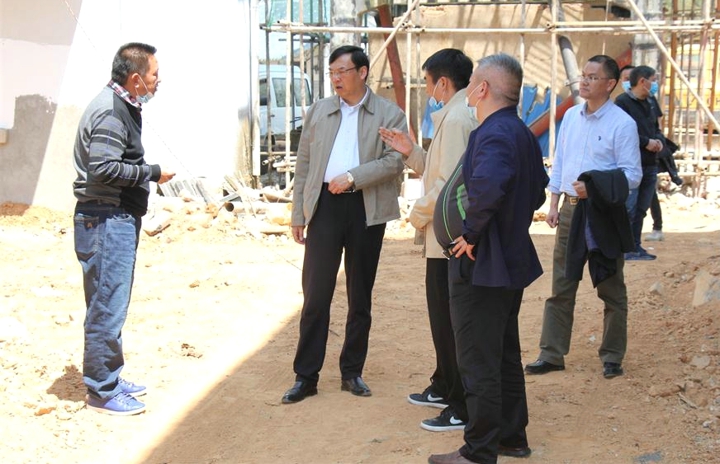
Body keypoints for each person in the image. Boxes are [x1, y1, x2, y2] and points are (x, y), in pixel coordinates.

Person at [428, 53, 548, 464]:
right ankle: (511, 437)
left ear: (482, 89)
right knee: (503, 354)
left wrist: (471, 231)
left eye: (472, 83)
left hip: (482, 263)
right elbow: (537, 190)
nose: (467, 90)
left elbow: (490, 184)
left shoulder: (493, 133)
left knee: (478, 359)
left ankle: (478, 452)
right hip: (506, 260)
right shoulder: (520, 132)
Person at [281, 45, 407, 404]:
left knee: (359, 294)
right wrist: (299, 212)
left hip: (367, 207)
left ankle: (352, 372)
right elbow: (304, 164)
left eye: (342, 71)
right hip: (324, 206)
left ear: (362, 72)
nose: (335, 78)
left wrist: (354, 177)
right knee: (315, 294)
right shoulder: (319, 111)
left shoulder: (389, 113)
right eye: (332, 72)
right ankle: (306, 376)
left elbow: (395, 161)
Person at [73, 42, 175, 415]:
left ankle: (110, 378)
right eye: (154, 74)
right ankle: (102, 391)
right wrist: (152, 173)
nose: (158, 81)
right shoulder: (111, 112)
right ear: (135, 79)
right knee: (107, 304)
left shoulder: (122, 105)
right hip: (106, 219)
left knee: (110, 301)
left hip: (112, 218)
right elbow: (103, 168)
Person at [525, 55, 642, 380]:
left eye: (592, 77)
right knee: (561, 285)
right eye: (583, 75)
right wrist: (554, 202)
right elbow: (561, 161)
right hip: (570, 211)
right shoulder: (572, 117)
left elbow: (633, 175)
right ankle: (551, 354)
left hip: (603, 214)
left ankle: (612, 356)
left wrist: (596, 187)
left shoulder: (622, 124)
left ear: (610, 83)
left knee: (611, 288)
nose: (585, 81)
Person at [379, 49, 477, 432]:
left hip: (447, 235)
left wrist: (416, 214)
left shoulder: (457, 118)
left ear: (443, 82)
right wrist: (411, 152)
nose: (427, 90)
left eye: (428, 82)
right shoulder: (452, 115)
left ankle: (459, 401)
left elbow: (448, 186)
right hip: (443, 234)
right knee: (441, 318)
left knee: (449, 321)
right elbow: (439, 170)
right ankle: (445, 383)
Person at [615, 65, 665, 260]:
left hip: (650, 164)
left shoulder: (651, 101)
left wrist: (658, 140)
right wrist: (646, 142)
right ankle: (625, 249)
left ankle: (636, 246)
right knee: (629, 208)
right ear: (643, 81)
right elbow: (623, 133)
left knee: (641, 209)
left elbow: (655, 128)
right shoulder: (622, 102)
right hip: (631, 165)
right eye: (653, 80)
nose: (655, 84)